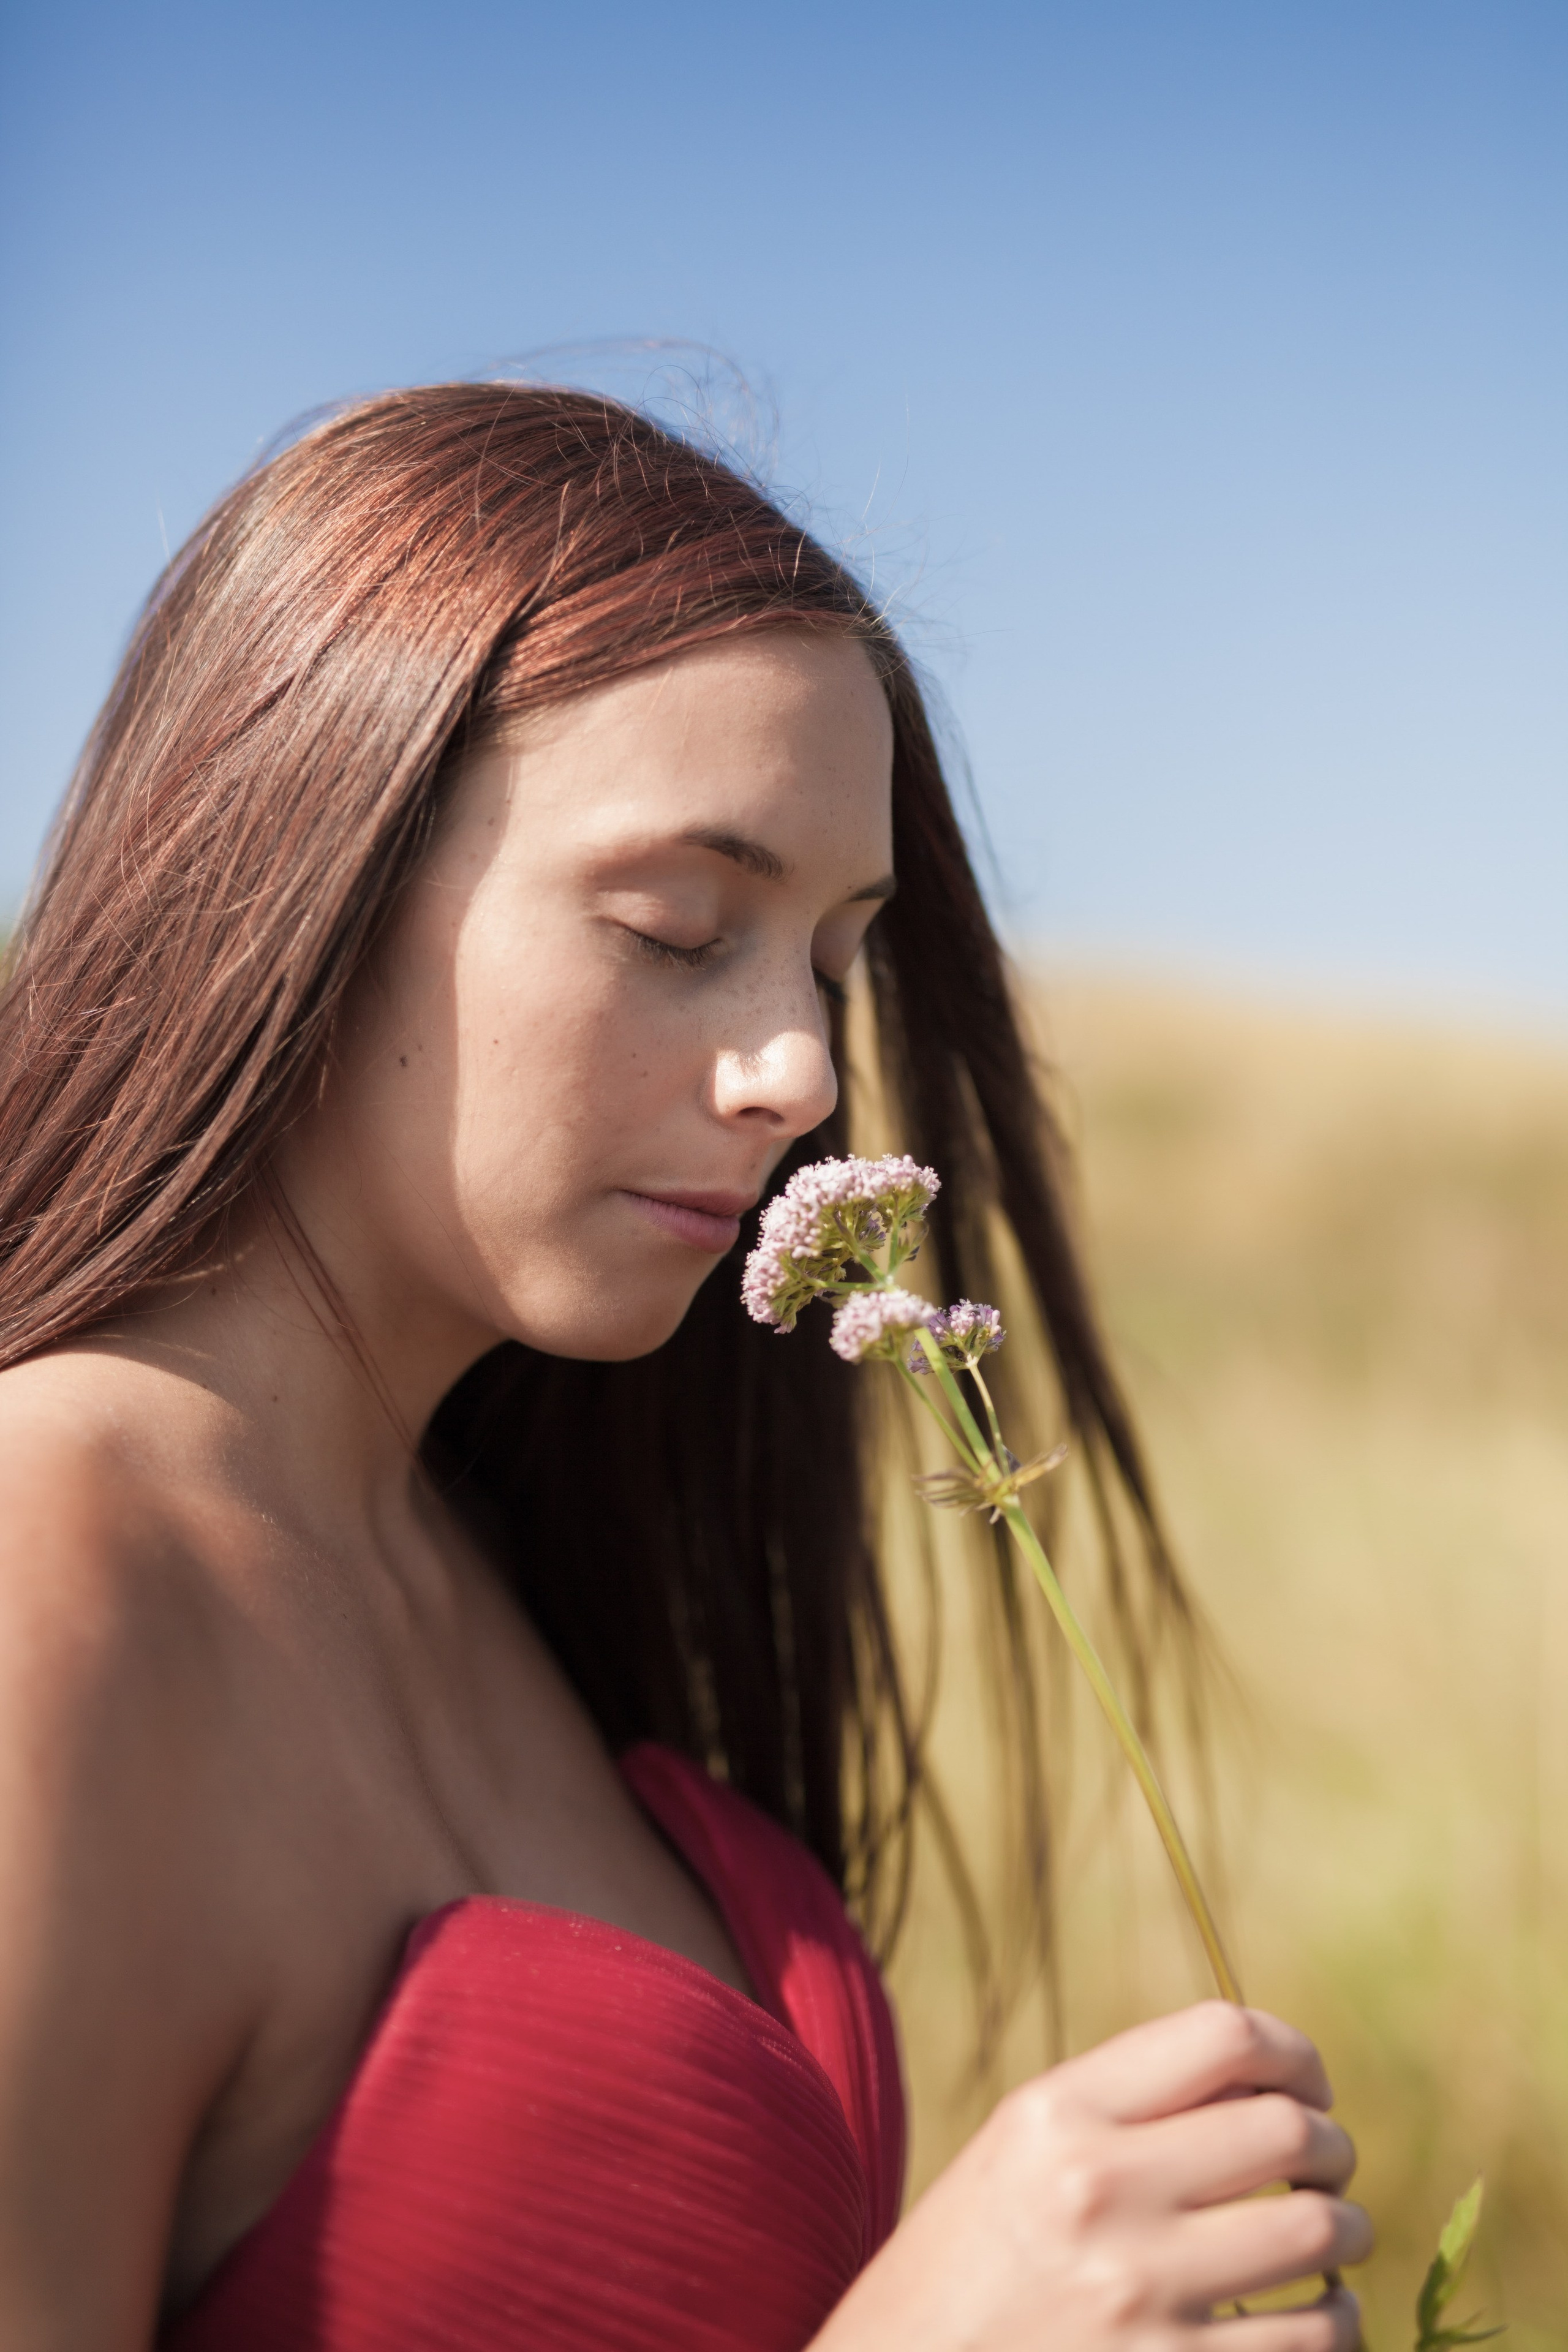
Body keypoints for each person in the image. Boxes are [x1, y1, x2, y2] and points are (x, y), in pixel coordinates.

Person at [0, 385, 1370, 2351]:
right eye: (676, 926)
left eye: (830, 960)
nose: (804, 1073)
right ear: (305, 867)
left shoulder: (501, 1568)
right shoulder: (52, 1573)